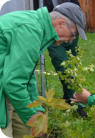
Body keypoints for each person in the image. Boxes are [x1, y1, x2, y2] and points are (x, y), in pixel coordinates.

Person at [0, 2, 86, 137]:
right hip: (5, 88)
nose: (71, 40)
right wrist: (32, 116)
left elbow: (27, 76)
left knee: (27, 131)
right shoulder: (31, 30)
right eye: (73, 34)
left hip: (8, 82)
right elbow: (13, 82)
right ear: (61, 23)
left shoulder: (38, 28)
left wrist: (36, 109)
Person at [43, 0, 87, 117]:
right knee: (64, 68)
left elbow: (76, 5)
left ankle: (70, 98)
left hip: (71, 26)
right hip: (55, 29)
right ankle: (78, 104)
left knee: (73, 66)